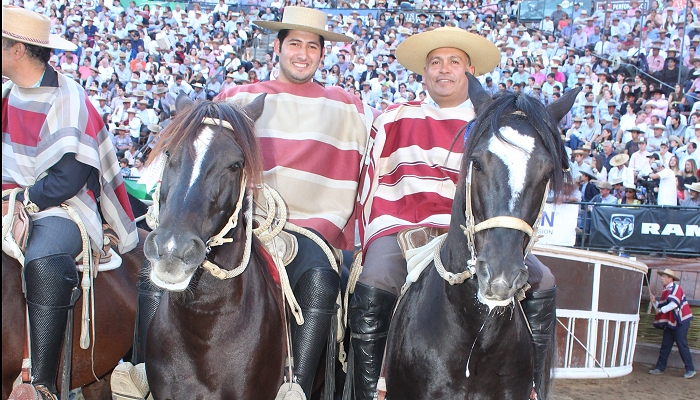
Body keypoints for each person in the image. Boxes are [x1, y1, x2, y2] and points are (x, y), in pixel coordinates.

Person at [351, 27, 556, 400]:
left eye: (454, 63)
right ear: (424, 72)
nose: (443, 70)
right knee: (377, 278)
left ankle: (535, 388)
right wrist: (371, 238)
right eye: (435, 63)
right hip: (403, 229)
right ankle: (368, 389)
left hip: (476, 232)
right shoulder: (393, 118)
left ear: (470, 71)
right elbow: (371, 185)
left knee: (544, 282)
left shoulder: (495, 124)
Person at [216, 7, 374, 397]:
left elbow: (384, 148)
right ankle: (143, 367)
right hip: (244, 227)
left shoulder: (348, 107)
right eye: (294, 44)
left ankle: (298, 389)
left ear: (322, 54)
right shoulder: (237, 97)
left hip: (312, 234)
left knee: (321, 281)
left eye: (311, 47)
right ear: (278, 47)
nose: (302, 54)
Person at [2, 7, 137, 399]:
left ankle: (40, 383)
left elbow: (68, 179)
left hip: (59, 207)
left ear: (17, 51)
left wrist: (21, 198)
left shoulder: (69, 97)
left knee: (43, 260)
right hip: (12, 198)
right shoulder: (8, 93)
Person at [648, 269, 695, 379]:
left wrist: (661, 310)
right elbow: (661, 308)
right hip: (672, 322)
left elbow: (674, 304)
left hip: (680, 321)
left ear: (670, 278)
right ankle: (660, 368)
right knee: (666, 345)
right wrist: (654, 302)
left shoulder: (675, 288)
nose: (661, 278)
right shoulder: (666, 290)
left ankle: (690, 369)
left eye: (664, 276)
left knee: (682, 345)